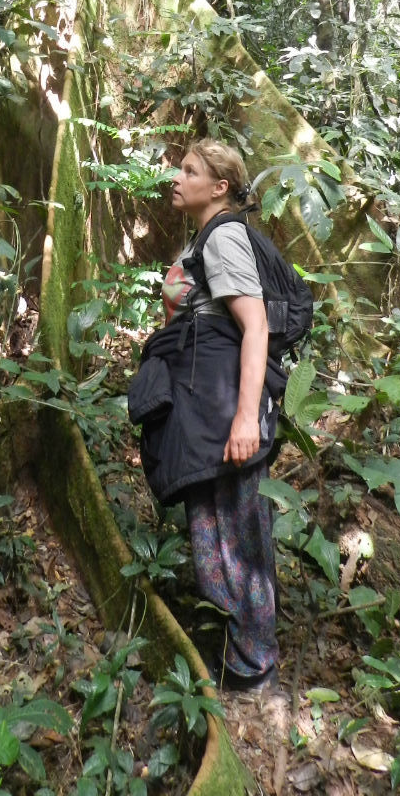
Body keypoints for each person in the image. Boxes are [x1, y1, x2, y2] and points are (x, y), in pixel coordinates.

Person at [128, 139, 279, 692]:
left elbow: (256, 327)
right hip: (206, 411)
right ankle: (236, 660)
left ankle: (255, 667)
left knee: (239, 537)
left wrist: (246, 420)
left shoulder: (223, 239)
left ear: (218, 187)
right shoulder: (205, 240)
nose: (176, 175)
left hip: (226, 410)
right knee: (214, 536)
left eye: (189, 170)